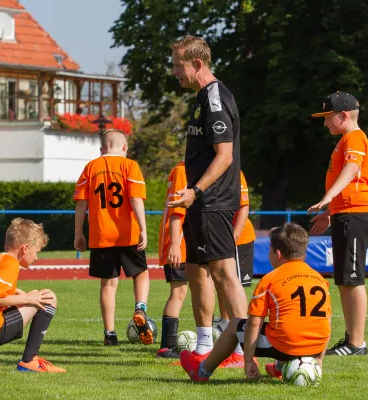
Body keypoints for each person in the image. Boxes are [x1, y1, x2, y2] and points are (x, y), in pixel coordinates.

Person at [168, 35, 248, 366]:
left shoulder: (215, 98)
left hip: (212, 200)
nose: (174, 72)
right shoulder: (202, 98)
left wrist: (196, 191)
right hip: (200, 203)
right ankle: (204, 344)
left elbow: (225, 156)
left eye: (177, 65)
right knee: (196, 271)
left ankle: (245, 348)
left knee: (225, 273)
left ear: (197, 64)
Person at [181, 223, 331, 381]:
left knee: (235, 324)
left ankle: (201, 372)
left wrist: (248, 361)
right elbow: (326, 322)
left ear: (277, 254)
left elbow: (254, 323)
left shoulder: (270, 280)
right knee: (285, 321)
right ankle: (279, 368)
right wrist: (319, 359)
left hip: (285, 346)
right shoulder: (319, 279)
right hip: (316, 347)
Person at [308, 91, 368, 356]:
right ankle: (351, 339)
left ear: (344, 115)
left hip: (357, 214)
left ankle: (356, 343)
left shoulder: (355, 137)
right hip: (346, 213)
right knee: (344, 280)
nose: (325, 122)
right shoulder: (346, 139)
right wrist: (330, 212)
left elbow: (351, 170)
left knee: (353, 278)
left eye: (328, 117)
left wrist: (327, 199)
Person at [73, 129, 152, 346]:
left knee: (108, 285)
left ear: (102, 150)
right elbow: (136, 199)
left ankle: (110, 334)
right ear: (125, 147)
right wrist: (144, 229)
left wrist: (79, 233)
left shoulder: (90, 167)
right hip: (128, 233)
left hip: (100, 235)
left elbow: (81, 204)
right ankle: (140, 307)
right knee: (141, 274)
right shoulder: (130, 166)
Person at [0, 218, 65, 373]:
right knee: (48, 297)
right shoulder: (10, 263)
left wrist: (20, 293)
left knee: (33, 295)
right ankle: (30, 360)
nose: (36, 258)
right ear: (25, 248)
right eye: (37, 252)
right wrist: (28, 298)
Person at [212, 169, 256, 364]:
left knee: (234, 283)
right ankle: (225, 322)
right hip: (220, 236)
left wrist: (234, 237)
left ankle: (241, 335)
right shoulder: (206, 169)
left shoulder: (234, 172)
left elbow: (244, 207)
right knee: (221, 280)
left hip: (239, 238)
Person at [156, 160, 188, 358]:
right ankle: (167, 347)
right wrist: (175, 244)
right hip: (180, 242)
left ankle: (207, 343)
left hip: (189, 242)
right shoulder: (183, 171)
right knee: (179, 292)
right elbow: (177, 209)